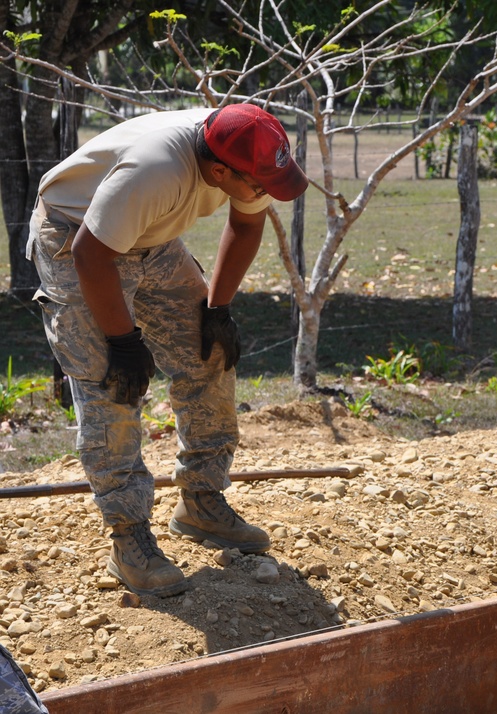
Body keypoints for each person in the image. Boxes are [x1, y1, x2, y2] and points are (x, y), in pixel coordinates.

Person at [27, 103, 309, 598]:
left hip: (149, 242)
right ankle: (128, 537)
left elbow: (246, 227)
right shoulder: (155, 169)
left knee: (210, 350)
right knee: (110, 382)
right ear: (220, 171)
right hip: (74, 236)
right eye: (260, 185)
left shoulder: (245, 146)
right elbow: (91, 254)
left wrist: (217, 308)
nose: (266, 193)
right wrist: (123, 339)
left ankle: (201, 499)